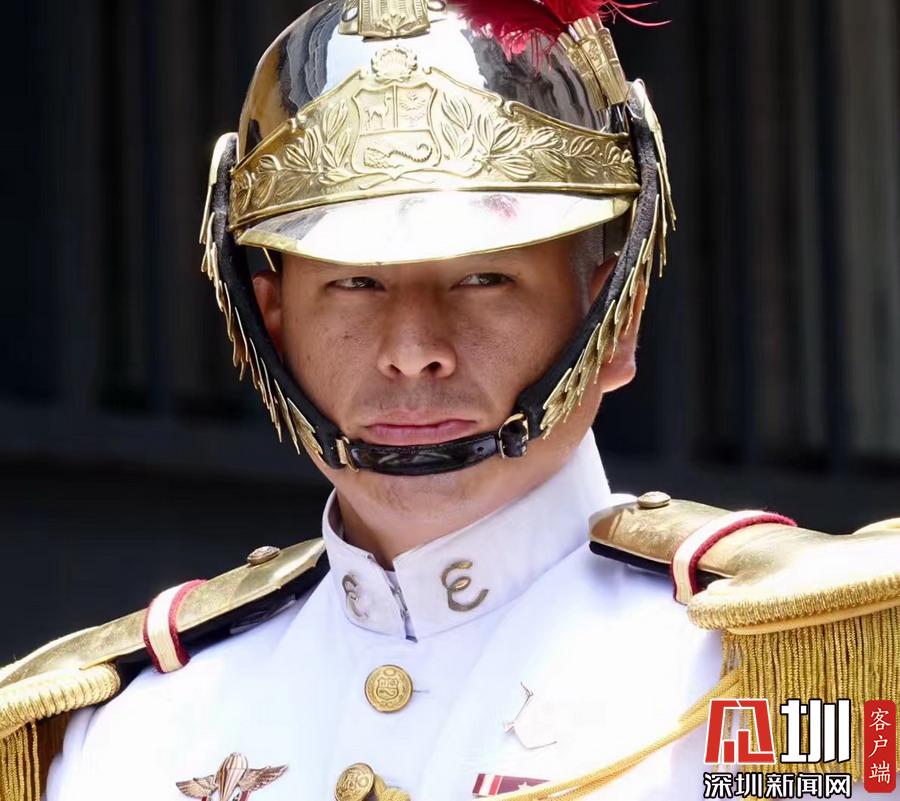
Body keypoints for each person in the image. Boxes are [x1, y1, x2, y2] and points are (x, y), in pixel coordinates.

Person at [1, 2, 897, 800]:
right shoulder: (132, 731)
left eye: (483, 279)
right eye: (355, 283)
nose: (413, 350)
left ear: (615, 316)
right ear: (272, 324)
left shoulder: (784, 675)